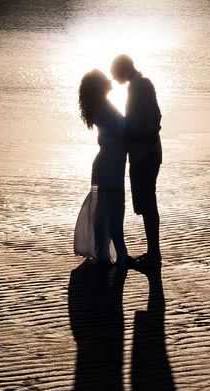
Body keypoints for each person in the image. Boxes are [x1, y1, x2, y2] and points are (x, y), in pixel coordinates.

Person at [74, 69, 131, 265]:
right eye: (104, 78)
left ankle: (105, 253)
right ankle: (118, 255)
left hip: (109, 163)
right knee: (113, 211)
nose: (109, 79)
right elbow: (118, 134)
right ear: (98, 85)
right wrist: (147, 133)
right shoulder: (104, 107)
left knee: (110, 210)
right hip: (108, 165)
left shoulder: (103, 105)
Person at [111, 54, 162, 269]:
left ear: (123, 69)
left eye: (115, 74)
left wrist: (136, 139)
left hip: (146, 154)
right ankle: (152, 252)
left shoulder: (141, 85)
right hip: (141, 153)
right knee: (145, 203)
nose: (114, 80)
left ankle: (154, 254)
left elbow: (154, 119)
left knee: (148, 203)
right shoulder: (136, 86)